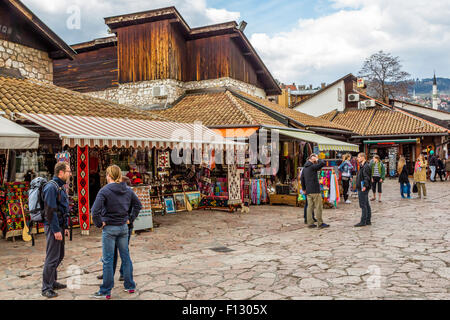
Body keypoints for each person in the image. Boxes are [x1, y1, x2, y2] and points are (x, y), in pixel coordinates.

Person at [91, 165, 142, 299]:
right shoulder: (127, 189)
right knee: (125, 257)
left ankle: (106, 290)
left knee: (108, 260)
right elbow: (138, 205)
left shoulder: (104, 190)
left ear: (108, 175)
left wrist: (98, 223)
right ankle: (130, 286)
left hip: (109, 228)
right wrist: (130, 219)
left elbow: (94, 211)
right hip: (123, 228)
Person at [97, 176, 140, 281]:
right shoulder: (119, 193)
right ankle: (111, 273)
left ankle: (122, 274)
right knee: (117, 252)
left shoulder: (128, 193)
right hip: (120, 225)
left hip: (124, 225)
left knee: (122, 252)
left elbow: (137, 206)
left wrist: (130, 219)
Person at [41, 162, 71, 298]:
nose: (70, 174)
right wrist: (56, 230)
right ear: (61, 172)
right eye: (68, 171)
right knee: (52, 258)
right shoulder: (51, 187)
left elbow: (62, 208)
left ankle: (52, 281)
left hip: (60, 226)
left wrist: (65, 227)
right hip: (53, 227)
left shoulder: (60, 187)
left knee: (59, 255)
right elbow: (50, 211)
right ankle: (46, 287)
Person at [300, 153, 329, 229]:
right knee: (318, 207)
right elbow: (323, 163)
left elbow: (302, 179)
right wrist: (317, 159)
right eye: (315, 157)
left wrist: (304, 189)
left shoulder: (305, 168)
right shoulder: (312, 166)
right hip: (315, 190)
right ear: (312, 158)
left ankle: (310, 223)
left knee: (310, 207)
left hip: (308, 190)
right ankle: (320, 223)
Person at [355, 152, 372, 227]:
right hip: (361, 187)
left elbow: (366, 177)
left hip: (363, 188)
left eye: (358, 157)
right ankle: (368, 220)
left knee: (363, 205)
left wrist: (364, 186)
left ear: (362, 157)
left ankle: (363, 221)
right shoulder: (362, 166)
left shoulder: (366, 166)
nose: (357, 158)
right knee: (366, 204)